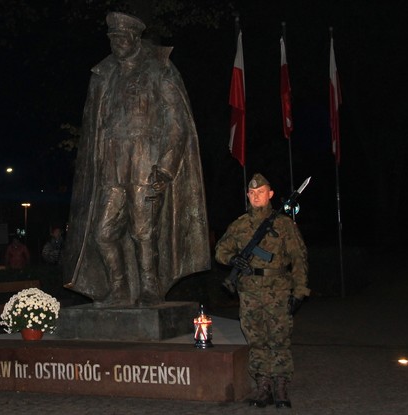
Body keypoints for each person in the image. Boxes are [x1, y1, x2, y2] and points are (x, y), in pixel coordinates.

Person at [62, 12, 210, 307]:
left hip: (146, 165)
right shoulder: (104, 74)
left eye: (121, 38)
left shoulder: (159, 70)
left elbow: (177, 124)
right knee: (102, 233)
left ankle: (149, 288)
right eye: (112, 39)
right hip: (111, 168)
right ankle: (119, 287)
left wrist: (167, 168)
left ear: (135, 38)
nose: (116, 44)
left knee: (143, 232)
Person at [214, 173, 310, 409]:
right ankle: (262, 386)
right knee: (256, 340)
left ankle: (280, 386)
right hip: (250, 292)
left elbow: (299, 258)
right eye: (252, 193)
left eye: (261, 192)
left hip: (278, 290)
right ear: (248, 195)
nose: (256, 196)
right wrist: (235, 259)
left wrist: (300, 290)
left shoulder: (284, 224)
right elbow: (220, 251)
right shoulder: (239, 225)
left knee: (279, 339)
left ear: (270, 194)